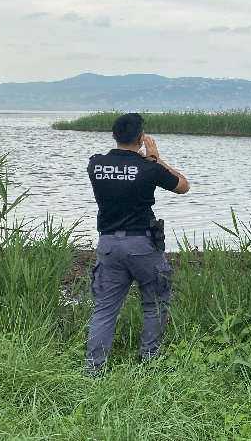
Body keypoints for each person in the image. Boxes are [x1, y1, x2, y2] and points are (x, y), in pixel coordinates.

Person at [85, 113, 190, 374]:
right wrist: (156, 158)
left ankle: (94, 368)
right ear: (141, 138)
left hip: (108, 244)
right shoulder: (149, 168)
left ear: (113, 136)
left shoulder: (96, 165)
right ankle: (149, 361)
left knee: (105, 309)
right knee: (155, 303)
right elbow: (183, 186)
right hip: (142, 244)